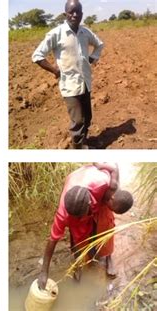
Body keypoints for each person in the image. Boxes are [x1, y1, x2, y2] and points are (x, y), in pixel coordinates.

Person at [38, 163, 134, 290]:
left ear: (90, 203)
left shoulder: (103, 184)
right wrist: (44, 271)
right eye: (79, 217)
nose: (83, 218)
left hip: (97, 193)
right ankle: (78, 263)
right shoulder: (64, 214)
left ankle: (108, 256)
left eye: (84, 214)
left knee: (106, 225)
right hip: (76, 183)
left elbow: (114, 168)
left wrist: (100, 165)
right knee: (78, 234)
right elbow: (52, 240)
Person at [32, 0, 104, 149]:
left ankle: (84, 141)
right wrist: (54, 70)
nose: (75, 15)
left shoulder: (85, 32)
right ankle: (77, 149)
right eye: (71, 12)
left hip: (85, 82)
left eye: (78, 12)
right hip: (70, 85)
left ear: (82, 14)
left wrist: (92, 57)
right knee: (77, 121)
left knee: (87, 118)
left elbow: (99, 44)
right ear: (65, 14)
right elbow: (37, 56)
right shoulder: (56, 34)